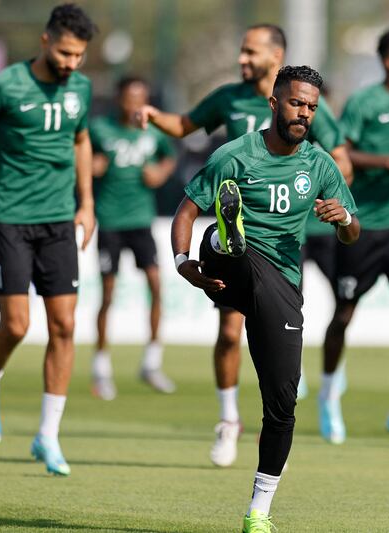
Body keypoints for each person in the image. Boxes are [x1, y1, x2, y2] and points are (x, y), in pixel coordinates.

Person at [139, 23, 352, 467]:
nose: (242, 59)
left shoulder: (312, 110)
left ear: (275, 55)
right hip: (244, 237)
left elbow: (340, 158)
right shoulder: (229, 102)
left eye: (250, 52)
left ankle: (296, 386)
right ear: (275, 101)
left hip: (293, 232)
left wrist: (334, 203)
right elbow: (184, 126)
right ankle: (229, 420)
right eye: (241, 51)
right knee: (229, 330)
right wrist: (152, 115)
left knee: (292, 324)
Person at [171, 64, 358, 533]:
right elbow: (186, 208)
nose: (304, 114)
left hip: (280, 286)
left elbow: (353, 232)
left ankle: (258, 511)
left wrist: (343, 220)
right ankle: (222, 240)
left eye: (312, 107)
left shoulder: (318, 164)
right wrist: (181, 261)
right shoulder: (235, 155)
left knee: (282, 405)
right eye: (296, 103)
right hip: (229, 272)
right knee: (227, 240)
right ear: (273, 103)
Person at [0, 3, 96, 476]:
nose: (71, 64)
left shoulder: (81, 87)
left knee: (64, 327)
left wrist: (87, 202)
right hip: (9, 220)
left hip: (59, 221)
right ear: (44, 40)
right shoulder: (4, 86)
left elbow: (81, 140)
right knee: (16, 325)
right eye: (64, 52)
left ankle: (48, 436)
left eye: (78, 56)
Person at [320, 29, 389, 444]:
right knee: (345, 313)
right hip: (361, 223)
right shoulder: (365, 102)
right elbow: (341, 152)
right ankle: (329, 394)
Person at [89, 75, 177, 401]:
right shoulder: (100, 130)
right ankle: (101, 366)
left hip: (141, 221)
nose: (135, 104)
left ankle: (151, 363)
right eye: (130, 97)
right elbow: (78, 155)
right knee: (108, 293)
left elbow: (171, 155)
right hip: (110, 222)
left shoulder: (153, 131)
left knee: (156, 285)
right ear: (119, 99)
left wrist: (161, 172)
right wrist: (90, 165)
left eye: (141, 97)